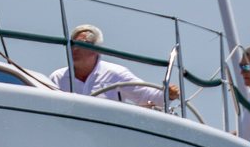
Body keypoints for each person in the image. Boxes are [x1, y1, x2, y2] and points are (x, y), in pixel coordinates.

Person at [49, 24, 178, 108]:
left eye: (81, 44)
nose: (74, 49)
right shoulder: (58, 77)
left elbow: (146, 96)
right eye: (72, 44)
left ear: (96, 49)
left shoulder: (115, 74)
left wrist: (169, 94)